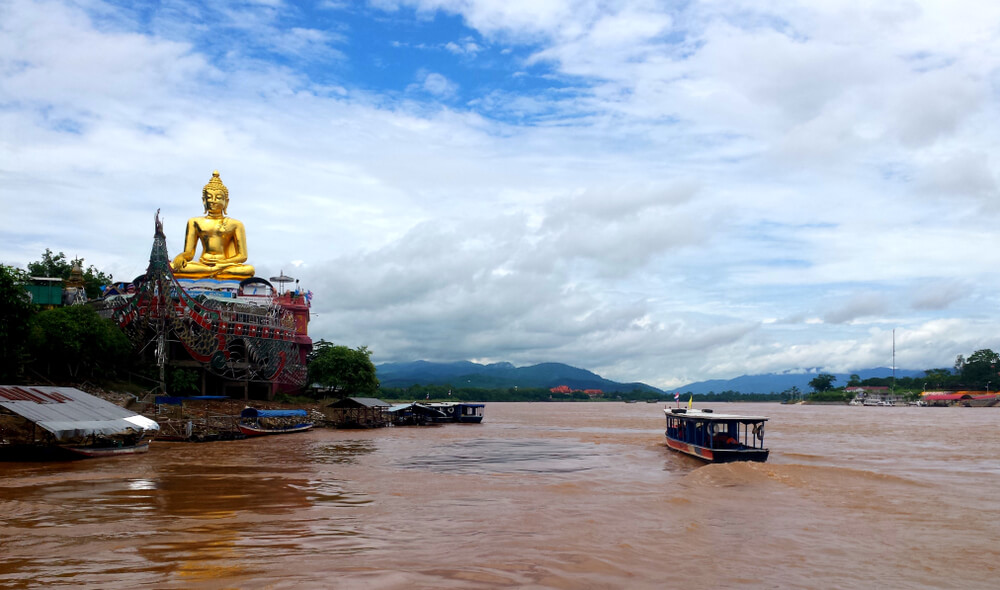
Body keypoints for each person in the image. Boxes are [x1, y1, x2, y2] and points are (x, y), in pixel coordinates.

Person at [171, 170, 255, 279]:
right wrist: (181, 256)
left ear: (226, 202)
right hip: (203, 263)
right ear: (204, 201)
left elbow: (242, 256)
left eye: (218, 198)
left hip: (225, 264)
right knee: (173, 267)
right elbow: (189, 253)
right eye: (209, 197)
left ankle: (210, 271)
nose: (213, 201)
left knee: (249, 270)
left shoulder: (236, 224)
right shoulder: (194, 222)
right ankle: (212, 271)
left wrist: (222, 263)